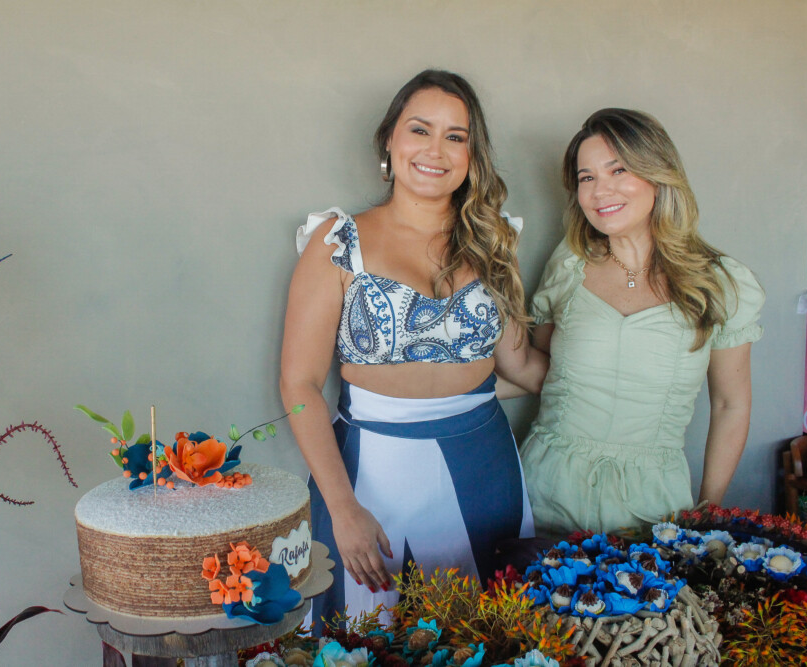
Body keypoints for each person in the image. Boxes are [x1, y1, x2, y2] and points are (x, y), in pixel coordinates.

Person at [280, 70, 547, 627]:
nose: (435, 150)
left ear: (472, 155)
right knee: (367, 637)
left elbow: (520, 364)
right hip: (372, 478)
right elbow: (298, 383)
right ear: (389, 140)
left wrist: (617, 372)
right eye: (420, 129)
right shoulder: (338, 241)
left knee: (488, 637)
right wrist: (342, 508)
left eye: (456, 136)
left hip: (486, 468)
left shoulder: (494, 242)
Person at [518, 108, 764, 537]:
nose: (600, 190)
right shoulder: (568, 265)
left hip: (654, 503)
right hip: (546, 488)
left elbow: (731, 404)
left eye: (619, 170)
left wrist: (707, 512)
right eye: (587, 177)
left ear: (658, 174)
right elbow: (537, 367)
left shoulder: (720, 282)